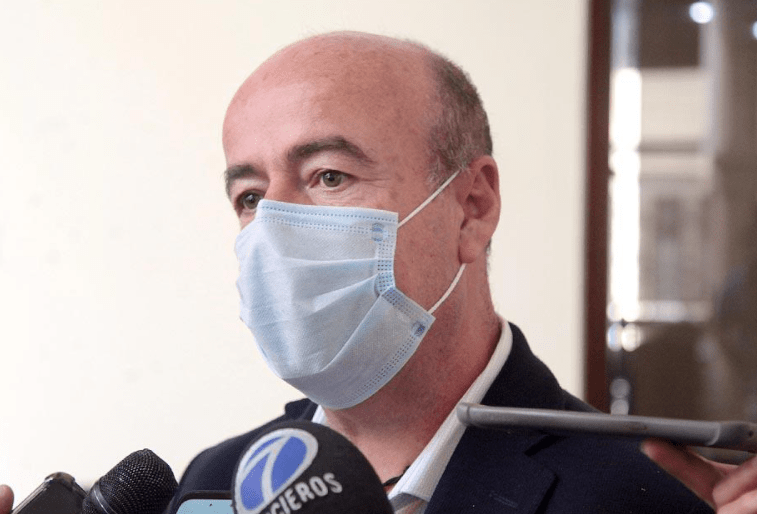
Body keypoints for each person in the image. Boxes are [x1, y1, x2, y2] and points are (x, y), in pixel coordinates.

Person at [1, 31, 756, 513]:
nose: (276, 229)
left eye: (329, 176)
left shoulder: (636, 497)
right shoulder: (214, 483)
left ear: (472, 206)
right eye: (251, 197)